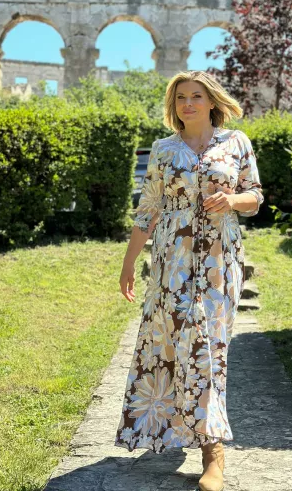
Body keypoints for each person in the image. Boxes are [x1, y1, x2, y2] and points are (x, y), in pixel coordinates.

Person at [115, 70, 264, 491]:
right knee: (171, 342)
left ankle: (212, 453)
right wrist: (129, 263)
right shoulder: (163, 150)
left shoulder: (236, 142)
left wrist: (232, 199)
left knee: (208, 345)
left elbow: (255, 195)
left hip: (219, 259)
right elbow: (148, 210)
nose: (188, 103)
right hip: (172, 261)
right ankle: (181, 429)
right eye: (181, 97)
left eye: (196, 96)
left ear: (212, 101)